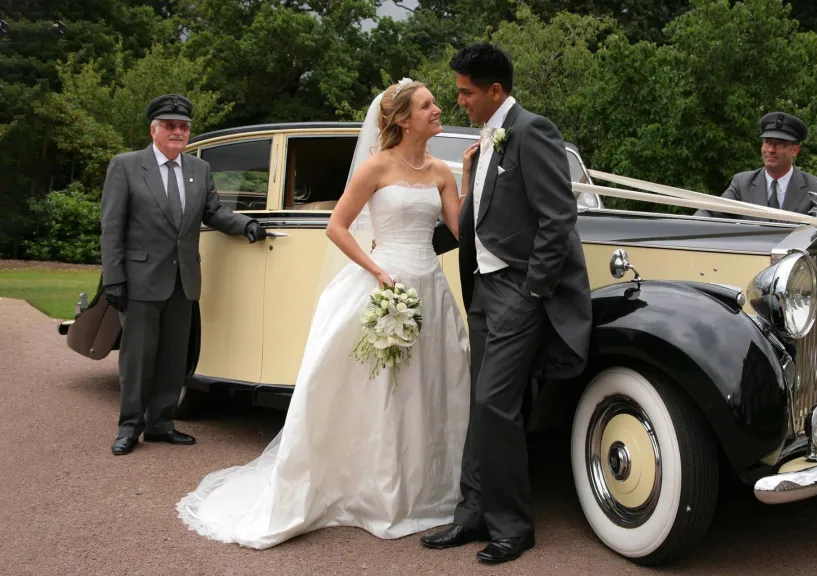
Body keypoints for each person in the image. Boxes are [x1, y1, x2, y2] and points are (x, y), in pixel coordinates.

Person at [175, 79, 473, 550]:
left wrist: (471, 178)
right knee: (378, 392)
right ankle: (373, 492)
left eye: (435, 102)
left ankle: (429, 492)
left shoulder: (441, 172)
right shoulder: (376, 166)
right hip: (384, 284)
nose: (438, 109)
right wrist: (378, 271)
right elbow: (338, 227)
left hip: (430, 290)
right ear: (401, 118)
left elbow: (461, 230)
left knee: (430, 387)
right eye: (427, 104)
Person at [421, 43, 592, 564]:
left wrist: (535, 289)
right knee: (482, 403)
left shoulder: (532, 130)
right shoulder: (488, 137)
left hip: (521, 291)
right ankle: (472, 513)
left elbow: (558, 217)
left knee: (497, 403)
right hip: (485, 289)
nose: (459, 101)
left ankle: (514, 525)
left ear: (495, 90)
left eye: (466, 92)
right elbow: (487, 212)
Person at [100, 94, 267, 457]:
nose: (178, 131)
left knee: (174, 357)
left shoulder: (198, 169)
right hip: (140, 280)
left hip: (183, 280)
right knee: (137, 358)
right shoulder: (126, 166)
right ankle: (129, 427)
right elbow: (111, 228)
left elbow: (214, 212)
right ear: (154, 129)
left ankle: (161, 425)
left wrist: (246, 225)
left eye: (184, 126)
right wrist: (113, 278)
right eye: (171, 126)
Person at [693, 111, 817, 219]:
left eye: (779, 144)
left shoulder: (816, 190)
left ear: (795, 150)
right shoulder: (742, 184)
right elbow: (710, 212)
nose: (771, 150)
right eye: (767, 142)